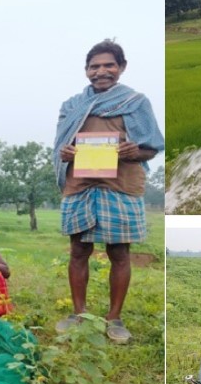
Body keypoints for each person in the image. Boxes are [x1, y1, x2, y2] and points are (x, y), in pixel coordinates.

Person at [52, 39, 164, 343]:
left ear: (122, 67)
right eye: (94, 66)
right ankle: (79, 313)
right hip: (81, 184)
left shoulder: (136, 102)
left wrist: (134, 150)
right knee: (78, 250)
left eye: (109, 65)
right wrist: (66, 153)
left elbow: (151, 148)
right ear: (86, 70)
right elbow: (62, 143)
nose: (101, 71)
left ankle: (114, 318)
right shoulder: (72, 105)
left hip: (120, 185)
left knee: (119, 252)